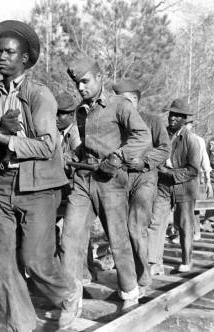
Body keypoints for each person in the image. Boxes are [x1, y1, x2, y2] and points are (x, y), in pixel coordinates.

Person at [0, 20, 80, 331]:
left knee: (35, 260)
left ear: (25, 58)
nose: (2, 57)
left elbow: (49, 146)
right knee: (4, 264)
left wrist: (4, 138)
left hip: (39, 189)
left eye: (9, 52)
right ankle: (22, 324)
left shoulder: (40, 95)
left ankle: (68, 292)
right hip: (3, 186)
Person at [61, 56, 151, 309]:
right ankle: (70, 299)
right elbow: (86, 146)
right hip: (82, 180)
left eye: (85, 81)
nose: (80, 88)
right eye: (77, 83)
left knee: (117, 238)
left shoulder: (120, 105)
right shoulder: (81, 110)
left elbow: (142, 136)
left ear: (100, 78)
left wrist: (119, 157)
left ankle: (130, 293)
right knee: (70, 238)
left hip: (110, 181)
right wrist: (72, 155)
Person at [112, 79, 171, 291]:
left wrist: (145, 160)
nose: (120, 105)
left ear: (135, 100)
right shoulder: (115, 122)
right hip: (120, 179)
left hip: (145, 177)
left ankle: (143, 274)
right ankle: (128, 277)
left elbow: (165, 148)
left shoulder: (152, 121)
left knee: (136, 226)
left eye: (124, 100)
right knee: (119, 228)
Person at [148, 99, 201, 273]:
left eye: (178, 116)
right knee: (156, 221)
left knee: (184, 224)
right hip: (163, 185)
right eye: (172, 114)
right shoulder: (161, 135)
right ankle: (153, 263)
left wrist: (169, 173)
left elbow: (193, 170)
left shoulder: (191, 140)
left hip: (185, 186)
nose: (173, 118)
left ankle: (187, 260)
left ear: (184, 119)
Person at [185, 120, 212, 236]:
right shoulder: (175, 138)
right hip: (177, 175)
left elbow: (205, 160)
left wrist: (208, 180)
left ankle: (196, 231)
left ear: (191, 126)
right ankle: (180, 231)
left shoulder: (198, 140)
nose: (186, 126)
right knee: (180, 205)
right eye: (184, 124)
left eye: (188, 124)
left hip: (193, 176)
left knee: (193, 204)